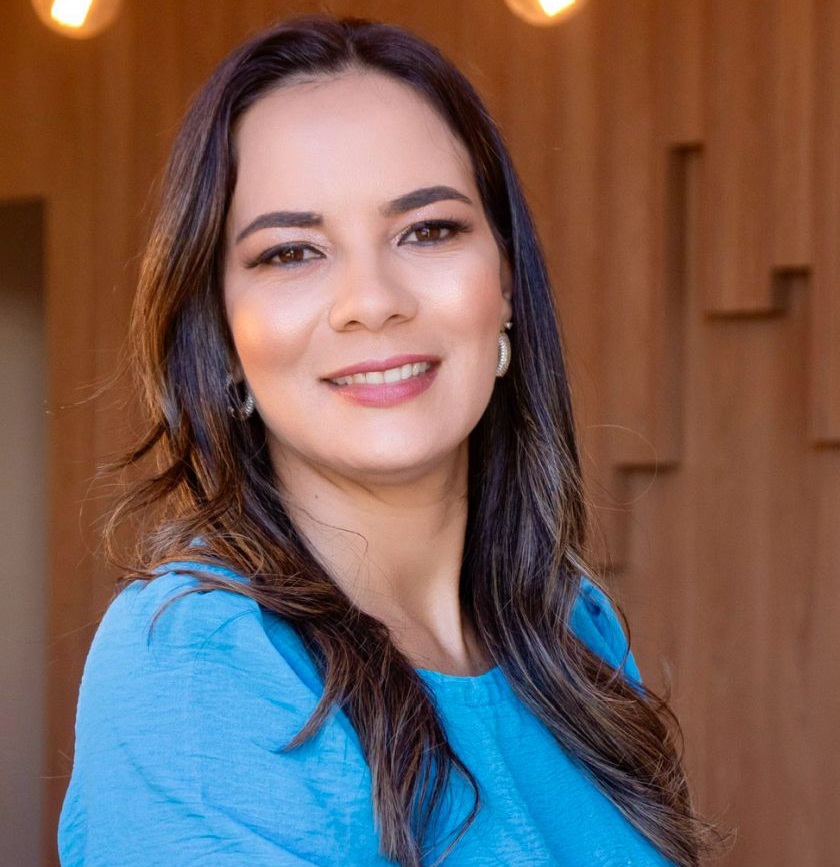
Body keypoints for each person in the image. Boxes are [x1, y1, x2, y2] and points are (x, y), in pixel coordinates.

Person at [59, 15, 718, 866]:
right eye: (291, 251)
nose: (371, 300)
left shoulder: (573, 629)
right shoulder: (197, 657)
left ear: (506, 284)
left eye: (427, 230)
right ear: (220, 337)